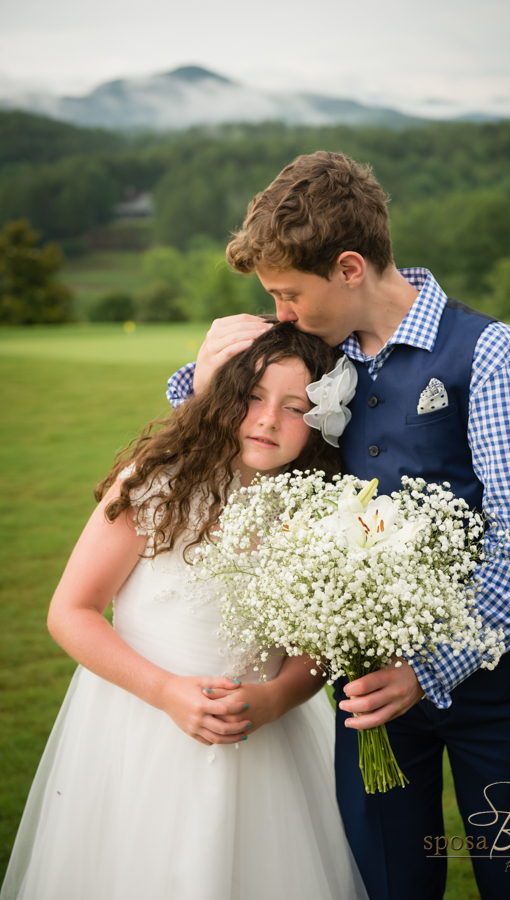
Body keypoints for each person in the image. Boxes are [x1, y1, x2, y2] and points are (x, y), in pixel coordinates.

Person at [166, 151, 510, 900]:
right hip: (365, 703)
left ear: (350, 267)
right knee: (383, 887)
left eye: (289, 293)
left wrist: (424, 672)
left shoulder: (489, 354)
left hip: (499, 695)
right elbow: (225, 430)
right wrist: (198, 372)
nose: (281, 312)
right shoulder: (315, 353)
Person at [0, 323, 368, 900]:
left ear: (324, 420)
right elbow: (71, 611)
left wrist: (275, 697)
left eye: (296, 407)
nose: (269, 419)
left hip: (265, 739)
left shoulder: (317, 514)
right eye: (252, 397)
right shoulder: (156, 487)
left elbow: (315, 652)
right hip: (141, 727)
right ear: (222, 397)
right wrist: (167, 692)